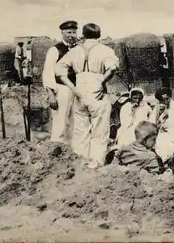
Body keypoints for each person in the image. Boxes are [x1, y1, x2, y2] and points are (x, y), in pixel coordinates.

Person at [56, 23, 119, 168]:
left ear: (83, 35)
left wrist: (73, 88)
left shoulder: (76, 50)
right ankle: (96, 163)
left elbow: (59, 70)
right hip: (96, 89)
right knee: (100, 128)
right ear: (99, 35)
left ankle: (81, 161)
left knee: (80, 129)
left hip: (80, 90)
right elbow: (112, 68)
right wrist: (101, 82)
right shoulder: (104, 50)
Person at [42, 20, 79, 143]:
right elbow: (48, 72)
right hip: (62, 89)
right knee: (60, 120)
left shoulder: (79, 49)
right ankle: (57, 148)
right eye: (69, 32)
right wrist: (51, 94)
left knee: (75, 119)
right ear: (62, 33)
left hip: (76, 89)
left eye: (74, 32)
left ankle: (72, 150)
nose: (71, 35)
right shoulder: (55, 50)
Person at [150, 88, 174, 163]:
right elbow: (153, 122)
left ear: (170, 97)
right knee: (160, 144)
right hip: (162, 132)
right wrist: (160, 114)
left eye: (167, 99)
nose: (165, 101)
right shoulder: (158, 108)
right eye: (162, 100)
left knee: (170, 146)